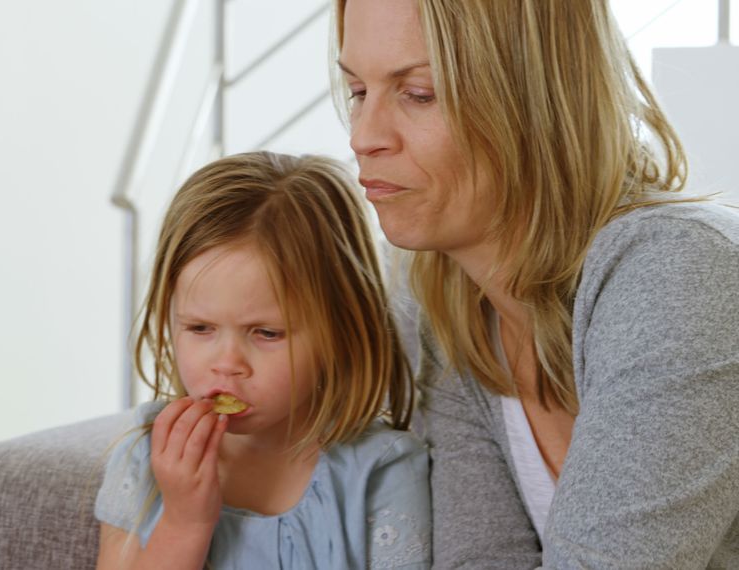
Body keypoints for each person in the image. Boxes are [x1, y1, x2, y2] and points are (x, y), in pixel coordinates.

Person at [332, 0, 739, 567]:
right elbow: (482, 557)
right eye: (357, 92)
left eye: (418, 93)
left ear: (531, 97)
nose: (364, 137)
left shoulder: (684, 270)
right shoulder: (440, 297)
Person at [93, 151, 430, 569]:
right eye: (200, 328)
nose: (227, 363)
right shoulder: (144, 456)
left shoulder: (381, 471)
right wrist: (183, 523)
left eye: (267, 333)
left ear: (341, 331)